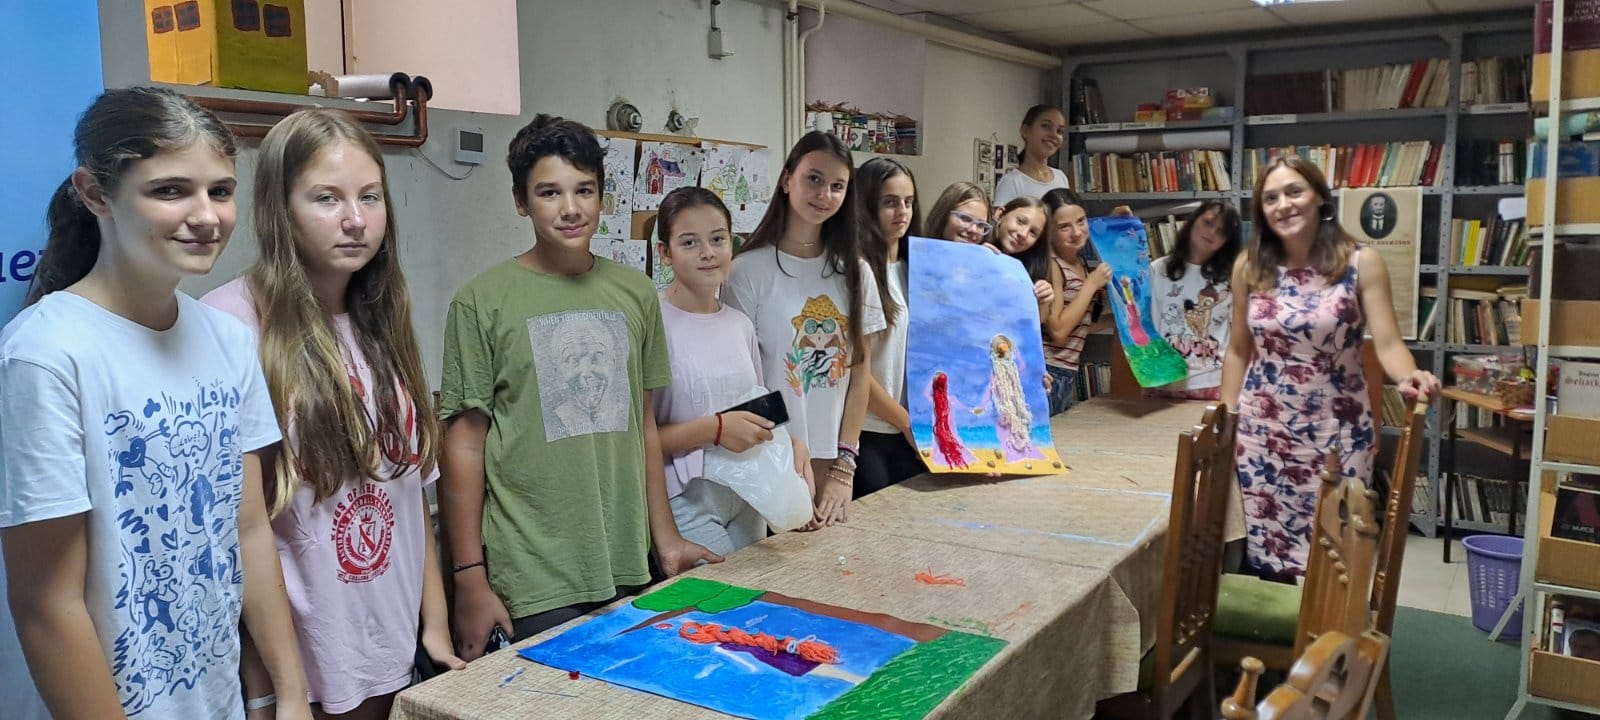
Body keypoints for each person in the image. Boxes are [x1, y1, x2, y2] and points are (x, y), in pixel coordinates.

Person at [0, 86, 311, 720]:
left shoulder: (227, 339)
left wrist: (291, 692)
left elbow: (248, 529)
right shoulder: (46, 355)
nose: (206, 216)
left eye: (220, 191)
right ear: (95, 194)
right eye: (170, 191)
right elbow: (46, 605)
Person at [201, 108, 464, 719]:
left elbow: (409, 491)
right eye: (326, 198)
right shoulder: (229, 324)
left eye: (370, 197)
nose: (355, 220)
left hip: (396, 652)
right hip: (302, 673)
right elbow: (236, 533)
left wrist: (434, 627)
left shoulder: (381, 315)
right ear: (279, 208)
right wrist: (270, 688)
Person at [438, 114, 720, 662]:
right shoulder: (481, 301)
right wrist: (469, 576)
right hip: (533, 574)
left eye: (584, 190)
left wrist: (665, 540)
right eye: (549, 192)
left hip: (627, 560)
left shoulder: (635, 293)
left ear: (602, 196)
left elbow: (642, 425)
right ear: (521, 202)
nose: (570, 208)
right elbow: (465, 444)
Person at [1221, 155, 1439, 578]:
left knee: (1337, 553)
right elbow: (1237, 350)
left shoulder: (1360, 263)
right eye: (1271, 198)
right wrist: (1226, 415)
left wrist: (1409, 375)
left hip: (1337, 433)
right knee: (1269, 555)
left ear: (1320, 197)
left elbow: (1389, 344)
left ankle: (1333, 623)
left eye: (1294, 192)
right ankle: (1279, 619)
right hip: (1263, 434)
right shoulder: (1249, 267)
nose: (1283, 205)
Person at [723, 131, 886, 528]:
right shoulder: (747, 271)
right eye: (814, 179)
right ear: (787, 180)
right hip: (772, 462)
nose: (824, 194)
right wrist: (785, 472)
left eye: (837, 186)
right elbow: (746, 383)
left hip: (835, 466)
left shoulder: (856, 272)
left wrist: (843, 468)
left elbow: (860, 373)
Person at [651, 186, 814, 555]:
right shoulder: (652, 322)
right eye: (689, 242)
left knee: (759, 588)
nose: (708, 252)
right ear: (665, 253)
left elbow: (758, 407)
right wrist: (716, 430)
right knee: (717, 590)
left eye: (717, 239)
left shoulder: (740, 324)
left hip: (749, 488)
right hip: (686, 496)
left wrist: (791, 444)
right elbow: (640, 438)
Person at [852, 158, 923, 496]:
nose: (902, 212)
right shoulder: (858, 270)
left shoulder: (916, 269)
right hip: (869, 429)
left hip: (911, 429)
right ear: (867, 206)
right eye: (890, 202)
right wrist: (905, 422)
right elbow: (857, 369)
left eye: (908, 202)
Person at [1149, 200, 1242, 401]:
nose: (1212, 233)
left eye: (1222, 231)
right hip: (1161, 381)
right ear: (1193, 221)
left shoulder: (1232, 277)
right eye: (1208, 223)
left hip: (1212, 382)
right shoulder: (1157, 270)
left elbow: (1239, 337)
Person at [1039, 188, 1112, 415]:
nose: (1077, 232)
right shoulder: (1052, 265)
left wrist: (1116, 321)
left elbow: (1079, 326)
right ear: (1048, 230)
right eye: (1064, 227)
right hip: (1049, 372)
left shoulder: (1080, 263)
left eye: (1081, 221)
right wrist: (1091, 284)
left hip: (1067, 373)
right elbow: (1059, 332)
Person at [993, 105, 1070, 206]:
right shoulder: (1011, 182)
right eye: (1046, 126)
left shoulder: (1061, 177)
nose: (1054, 135)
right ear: (1025, 130)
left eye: (1059, 131)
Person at [924, 182, 993, 245]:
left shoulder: (985, 254)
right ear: (944, 216)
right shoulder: (919, 251)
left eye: (981, 225)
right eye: (965, 219)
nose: (973, 230)